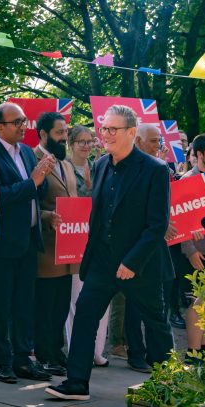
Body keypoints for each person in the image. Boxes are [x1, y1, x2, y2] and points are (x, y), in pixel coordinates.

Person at [46, 105, 174, 401]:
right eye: (103, 129)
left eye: (113, 129)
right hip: (103, 263)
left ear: (131, 132)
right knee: (85, 316)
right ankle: (77, 382)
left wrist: (132, 261)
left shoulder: (155, 169)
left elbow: (157, 224)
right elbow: (100, 215)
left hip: (138, 266)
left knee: (155, 323)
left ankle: (168, 385)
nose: (106, 134)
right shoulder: (101, 164)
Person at [0, 103, 55, 384]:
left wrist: (42, 176)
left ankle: (24, 359)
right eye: (17, 121)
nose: (24, 125)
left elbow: (37, 191)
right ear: (0, 127)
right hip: (1, 245)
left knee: (24, 304)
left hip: (28, 241)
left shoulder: (26, 152)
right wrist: (33, 181)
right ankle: (2, 361)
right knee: (1, 304)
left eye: (24, 120)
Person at [65, 126, 122, 364]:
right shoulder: (64, 166)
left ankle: (97, 352)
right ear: (70, 143)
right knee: (76, 298)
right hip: (71, 239)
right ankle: (76, 350)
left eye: (90, 141)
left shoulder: (100, 166)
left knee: (99, 300)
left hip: (97, 240)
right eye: (81, 141)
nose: (86, 146)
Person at [32, 112, 77, 376]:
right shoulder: (32, 159)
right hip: (45, 248)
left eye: (66, 132)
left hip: (67, 247)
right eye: (59, 132)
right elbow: (29, 198)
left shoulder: (67, 164)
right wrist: (45, 216)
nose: (64, 137)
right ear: (43, 135)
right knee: (45, 303)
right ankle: (44, 352)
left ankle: (57, 350)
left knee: (61, 302)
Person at [178, 134, 205, 363]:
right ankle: (193, 352)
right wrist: (190, 251)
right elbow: (180, 219)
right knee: (197, 301)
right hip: (198, 253)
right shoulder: (187, 181)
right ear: (198, 154)